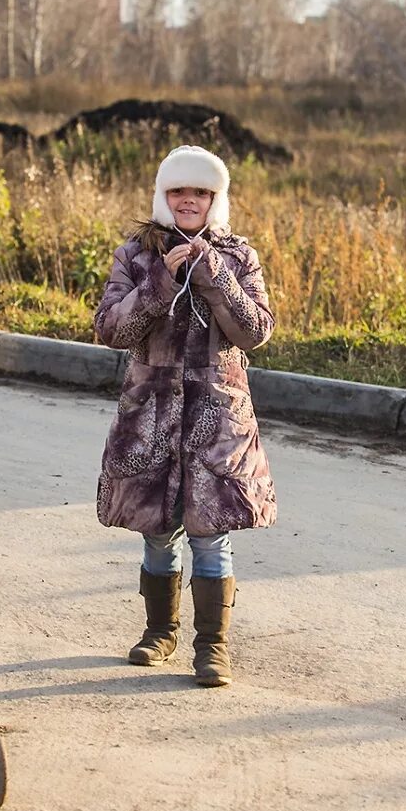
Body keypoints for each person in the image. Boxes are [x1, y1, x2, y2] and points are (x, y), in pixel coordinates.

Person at [93, 145, 277, 688]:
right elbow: (110, 329)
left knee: (211, 534)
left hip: (216, 419)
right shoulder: (135, 255)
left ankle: (212, 647)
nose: (188, 201)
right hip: (150, 415)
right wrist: (160, 286)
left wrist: (214, 276)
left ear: (216, 199)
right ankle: (159, 633)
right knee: (157, 531)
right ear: (162, 197)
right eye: (178, 192)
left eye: (200, 192)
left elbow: (257, 331)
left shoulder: (238, 256)